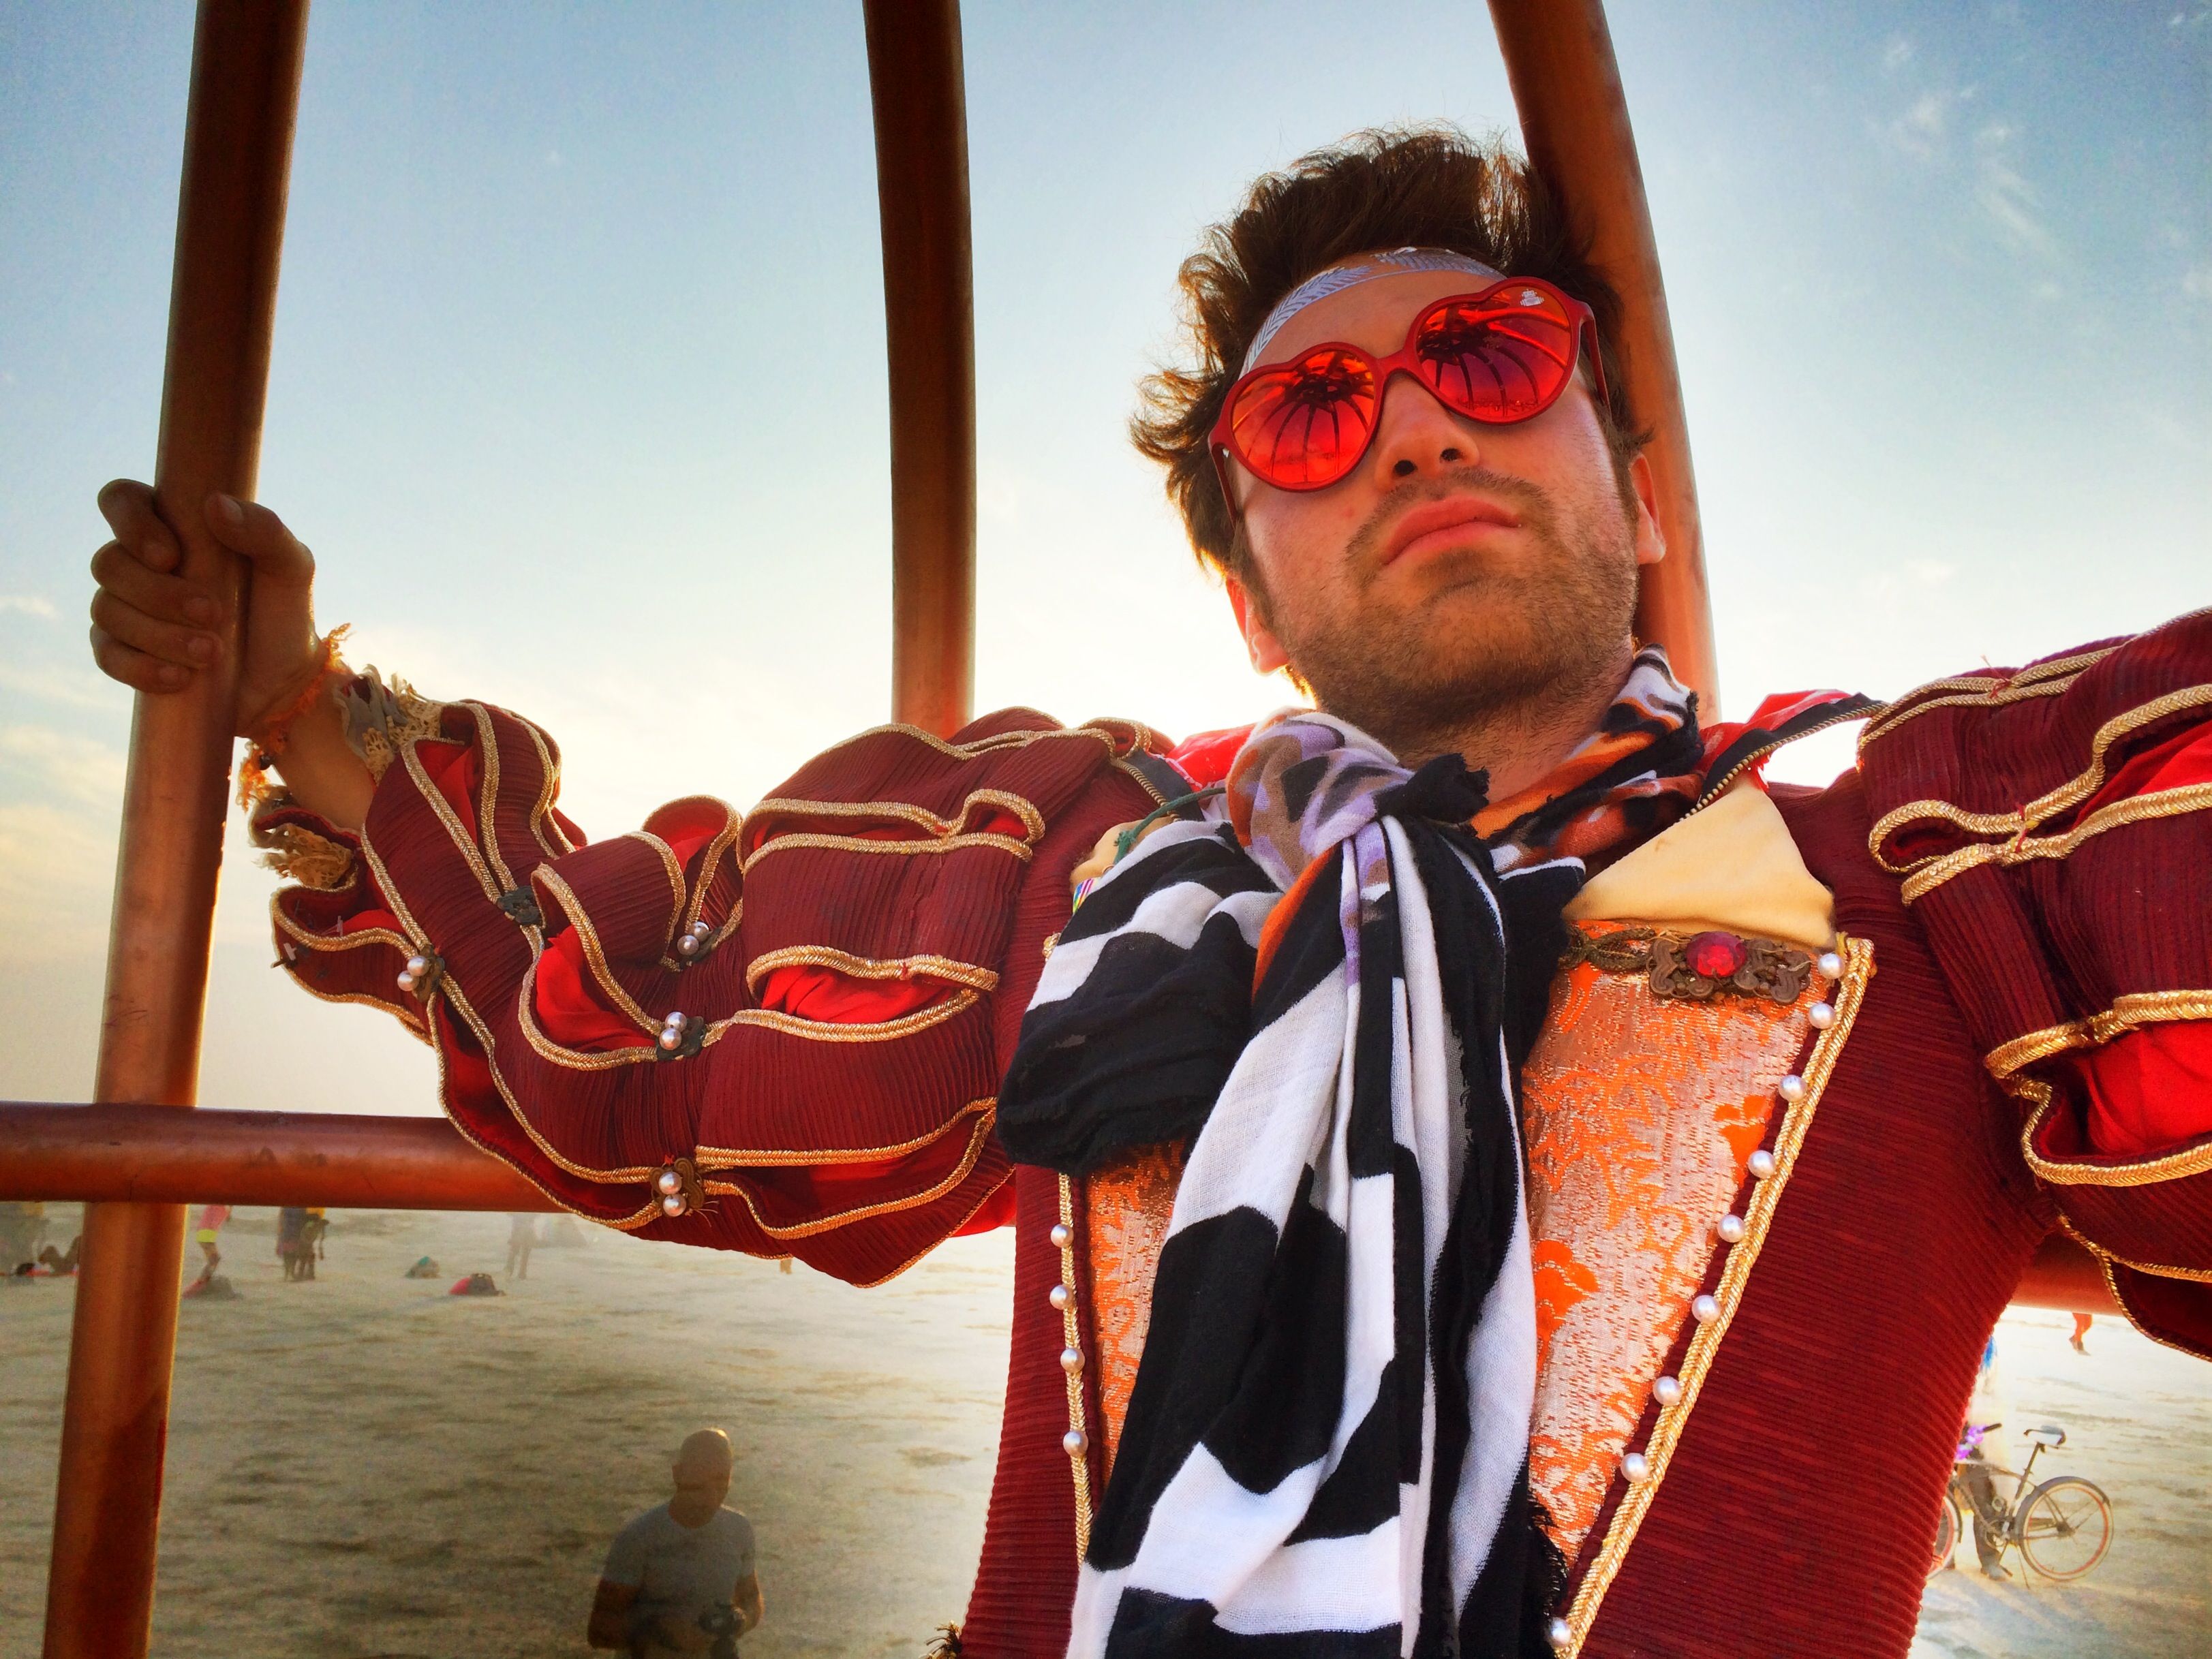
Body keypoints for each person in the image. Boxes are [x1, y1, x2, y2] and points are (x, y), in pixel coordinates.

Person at [80, 125, 2209, 1659]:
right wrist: (294, 694)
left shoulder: (1945, 885)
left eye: (1482, 358)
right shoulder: (1099, 896)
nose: (1407, 433)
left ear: (1633, 496)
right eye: (1310, 414)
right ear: (1247, 602)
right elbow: (642, 1027)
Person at [587, 1429, 763, 1656]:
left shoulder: (739, 1529)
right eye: (699, 1482)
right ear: (678, 1474)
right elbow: (598, 1631)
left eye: (721, 1482)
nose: (712, 1496)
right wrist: (660, 1631)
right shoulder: (640, 1538)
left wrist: (741, 1620)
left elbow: (751, 1598)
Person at [191, 1203, 231, 1282]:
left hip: (204, 1234)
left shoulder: (219, 1207)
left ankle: (204, 1279)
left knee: (213, 1259)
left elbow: (226, 1219)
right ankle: (203, 1279)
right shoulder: (218, 1207)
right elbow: (214, 1223)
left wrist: (228, 1212)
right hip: (206, 1234)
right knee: (215, 1259)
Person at [506, 1212, 538, 1282]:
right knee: (518, 1250)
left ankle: (515, 1272)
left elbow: (509, 1213)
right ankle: (514, 1272)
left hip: (524, 1226)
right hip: (522, 1226)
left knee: (521, 1250)